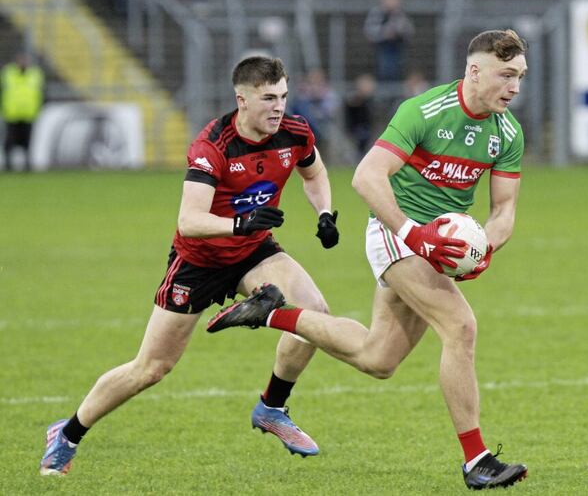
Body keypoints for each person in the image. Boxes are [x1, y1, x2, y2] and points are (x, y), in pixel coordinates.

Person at [208, 30, 529, 490]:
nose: (514, 86)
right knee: (461, 327)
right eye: (506, 75)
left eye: (519, 76)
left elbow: (504, 212)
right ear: (474, 70)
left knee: (377, 358)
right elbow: (366, 177)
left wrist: (484, 249)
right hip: (395, 231)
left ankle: (273, 312)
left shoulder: (507, 132)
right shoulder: (424, 111)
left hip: (437, 246)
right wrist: (413, 234)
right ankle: (476, 460)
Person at [39, 56, 340, 475]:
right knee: (151, 368)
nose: (279, 107)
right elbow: (190, 221)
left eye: (284, 96)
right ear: (242, 100)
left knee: (315, 315)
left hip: (254, 252)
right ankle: (67, 433)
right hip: (198, 261)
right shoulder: (212, 146)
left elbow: (314, 174)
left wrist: (325, 213)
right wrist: (241, 222)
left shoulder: (294, 132)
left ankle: (271, 407)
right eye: (268, 98)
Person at [1, 52, 44, 171]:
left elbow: (41, 93)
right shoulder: (8, 73)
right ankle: (8, 165)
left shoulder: (35, 74)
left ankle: (27, 165)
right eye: (21, 60)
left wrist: (38, 108)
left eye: (25, 60)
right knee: (9, 142)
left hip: (29, 114)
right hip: (11, 114)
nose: (23, 63)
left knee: (27, 142)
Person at [363, 0, 415, 82]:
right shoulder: (377, 13)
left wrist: (399, 32)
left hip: (398, 49)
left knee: (397, 70)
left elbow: (409, 31)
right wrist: (384, 33)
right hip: (380, 49)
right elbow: (369, 31)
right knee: (385, 69)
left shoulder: (400, 14)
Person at [344, 73, 377, 157]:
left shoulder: (370, 99)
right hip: (355, 127)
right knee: (361, 140)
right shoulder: (354, 97)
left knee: (365, 140)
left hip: (366, 128)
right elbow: (350, 105)